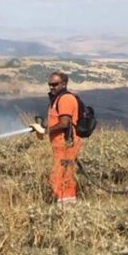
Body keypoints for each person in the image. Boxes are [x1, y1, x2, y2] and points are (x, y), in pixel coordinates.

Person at [32, 71, 81, 203]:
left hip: (67, 144)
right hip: (60, 145)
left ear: (64, 84)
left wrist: (45, 131)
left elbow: (64, 123)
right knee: (62, 175)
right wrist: (41, 127)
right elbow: (52, 121)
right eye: (49, 84)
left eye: (55, 84)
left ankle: (67, 206)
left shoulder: (66, 99)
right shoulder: (56, 99)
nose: (51, 87)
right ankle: (65, 204)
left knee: (61, 176)